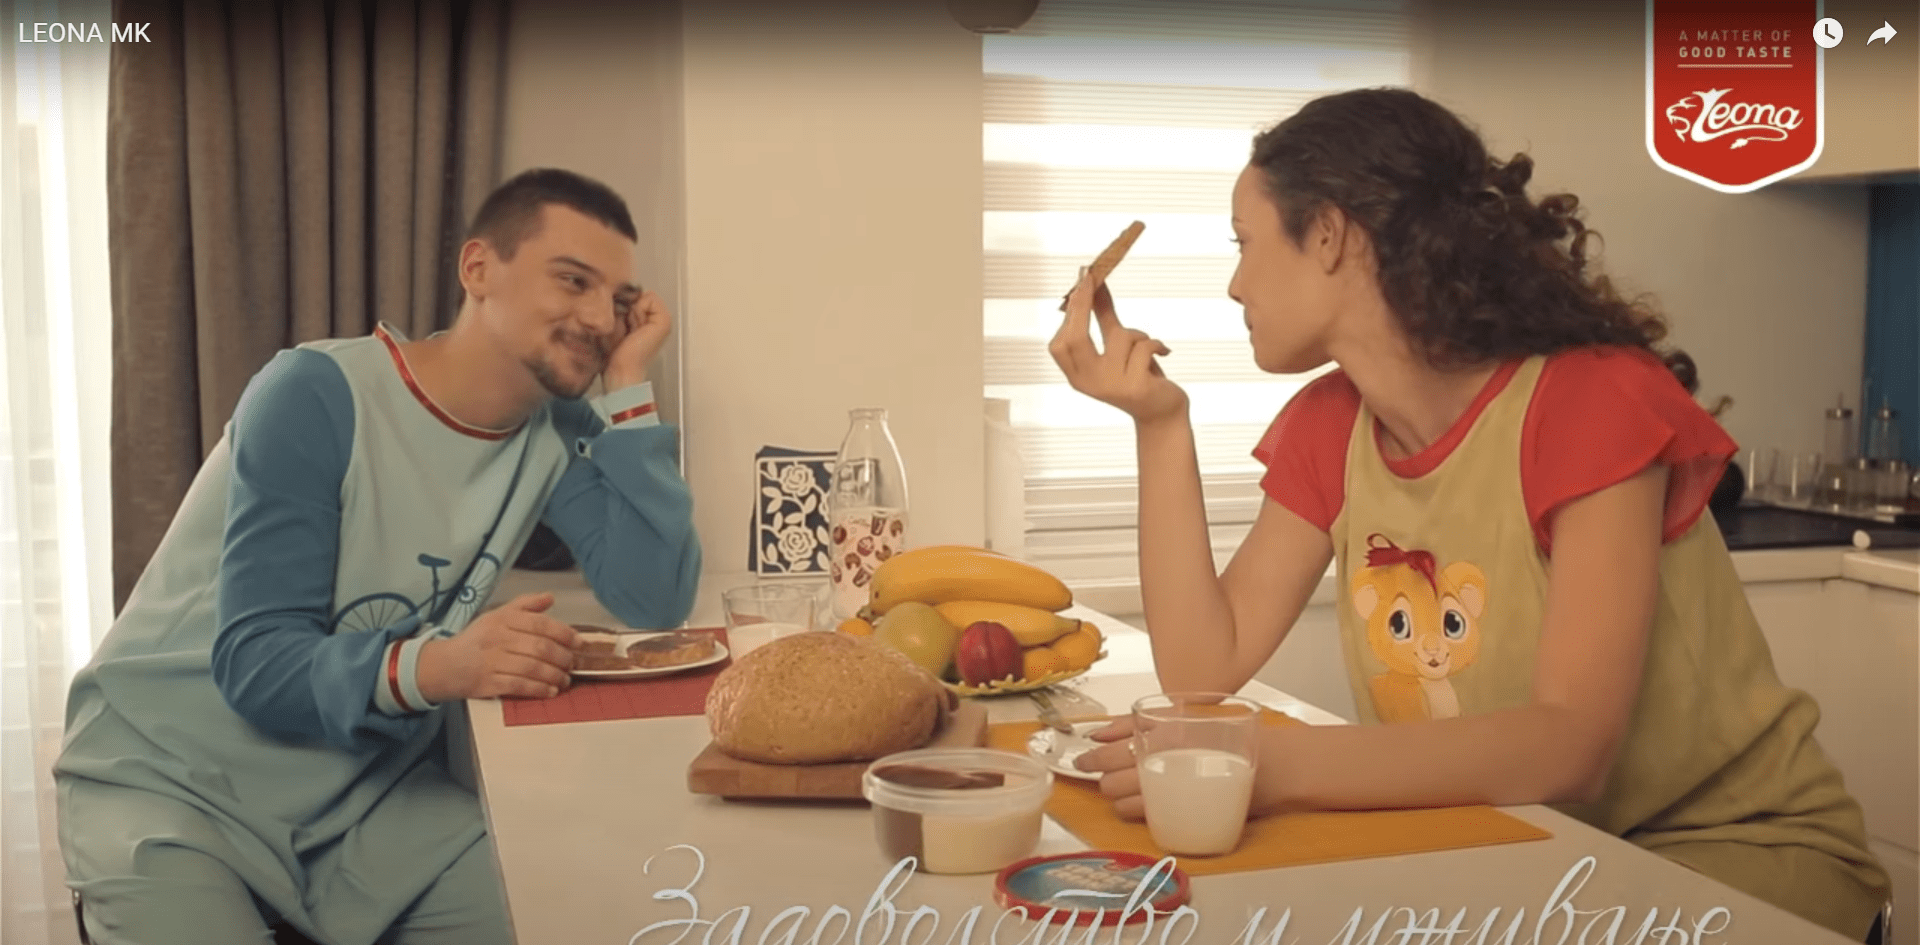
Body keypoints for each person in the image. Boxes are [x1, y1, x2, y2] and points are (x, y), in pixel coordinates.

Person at [1053, 88, 1890, 941]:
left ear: (1331, 234)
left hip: (1735, 857)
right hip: (1544, 853)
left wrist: (1275, 760)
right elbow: (1202, 668)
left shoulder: (1590, 400)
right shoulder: (1330, 426)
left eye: (1245, 241)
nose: (1235, 283)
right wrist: (1160, 426)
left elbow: (1570, 746)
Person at [56, 168, 703, 945]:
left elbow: (655, 595)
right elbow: (256, 662)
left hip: (359, 798)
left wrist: (628, 383)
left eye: (618, 299)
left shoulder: (556, 427)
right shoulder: (313, 392)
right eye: (573, 280)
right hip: (169, 782)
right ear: (478, 268)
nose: (600, 318)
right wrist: (444, 664)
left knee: (570, 914)